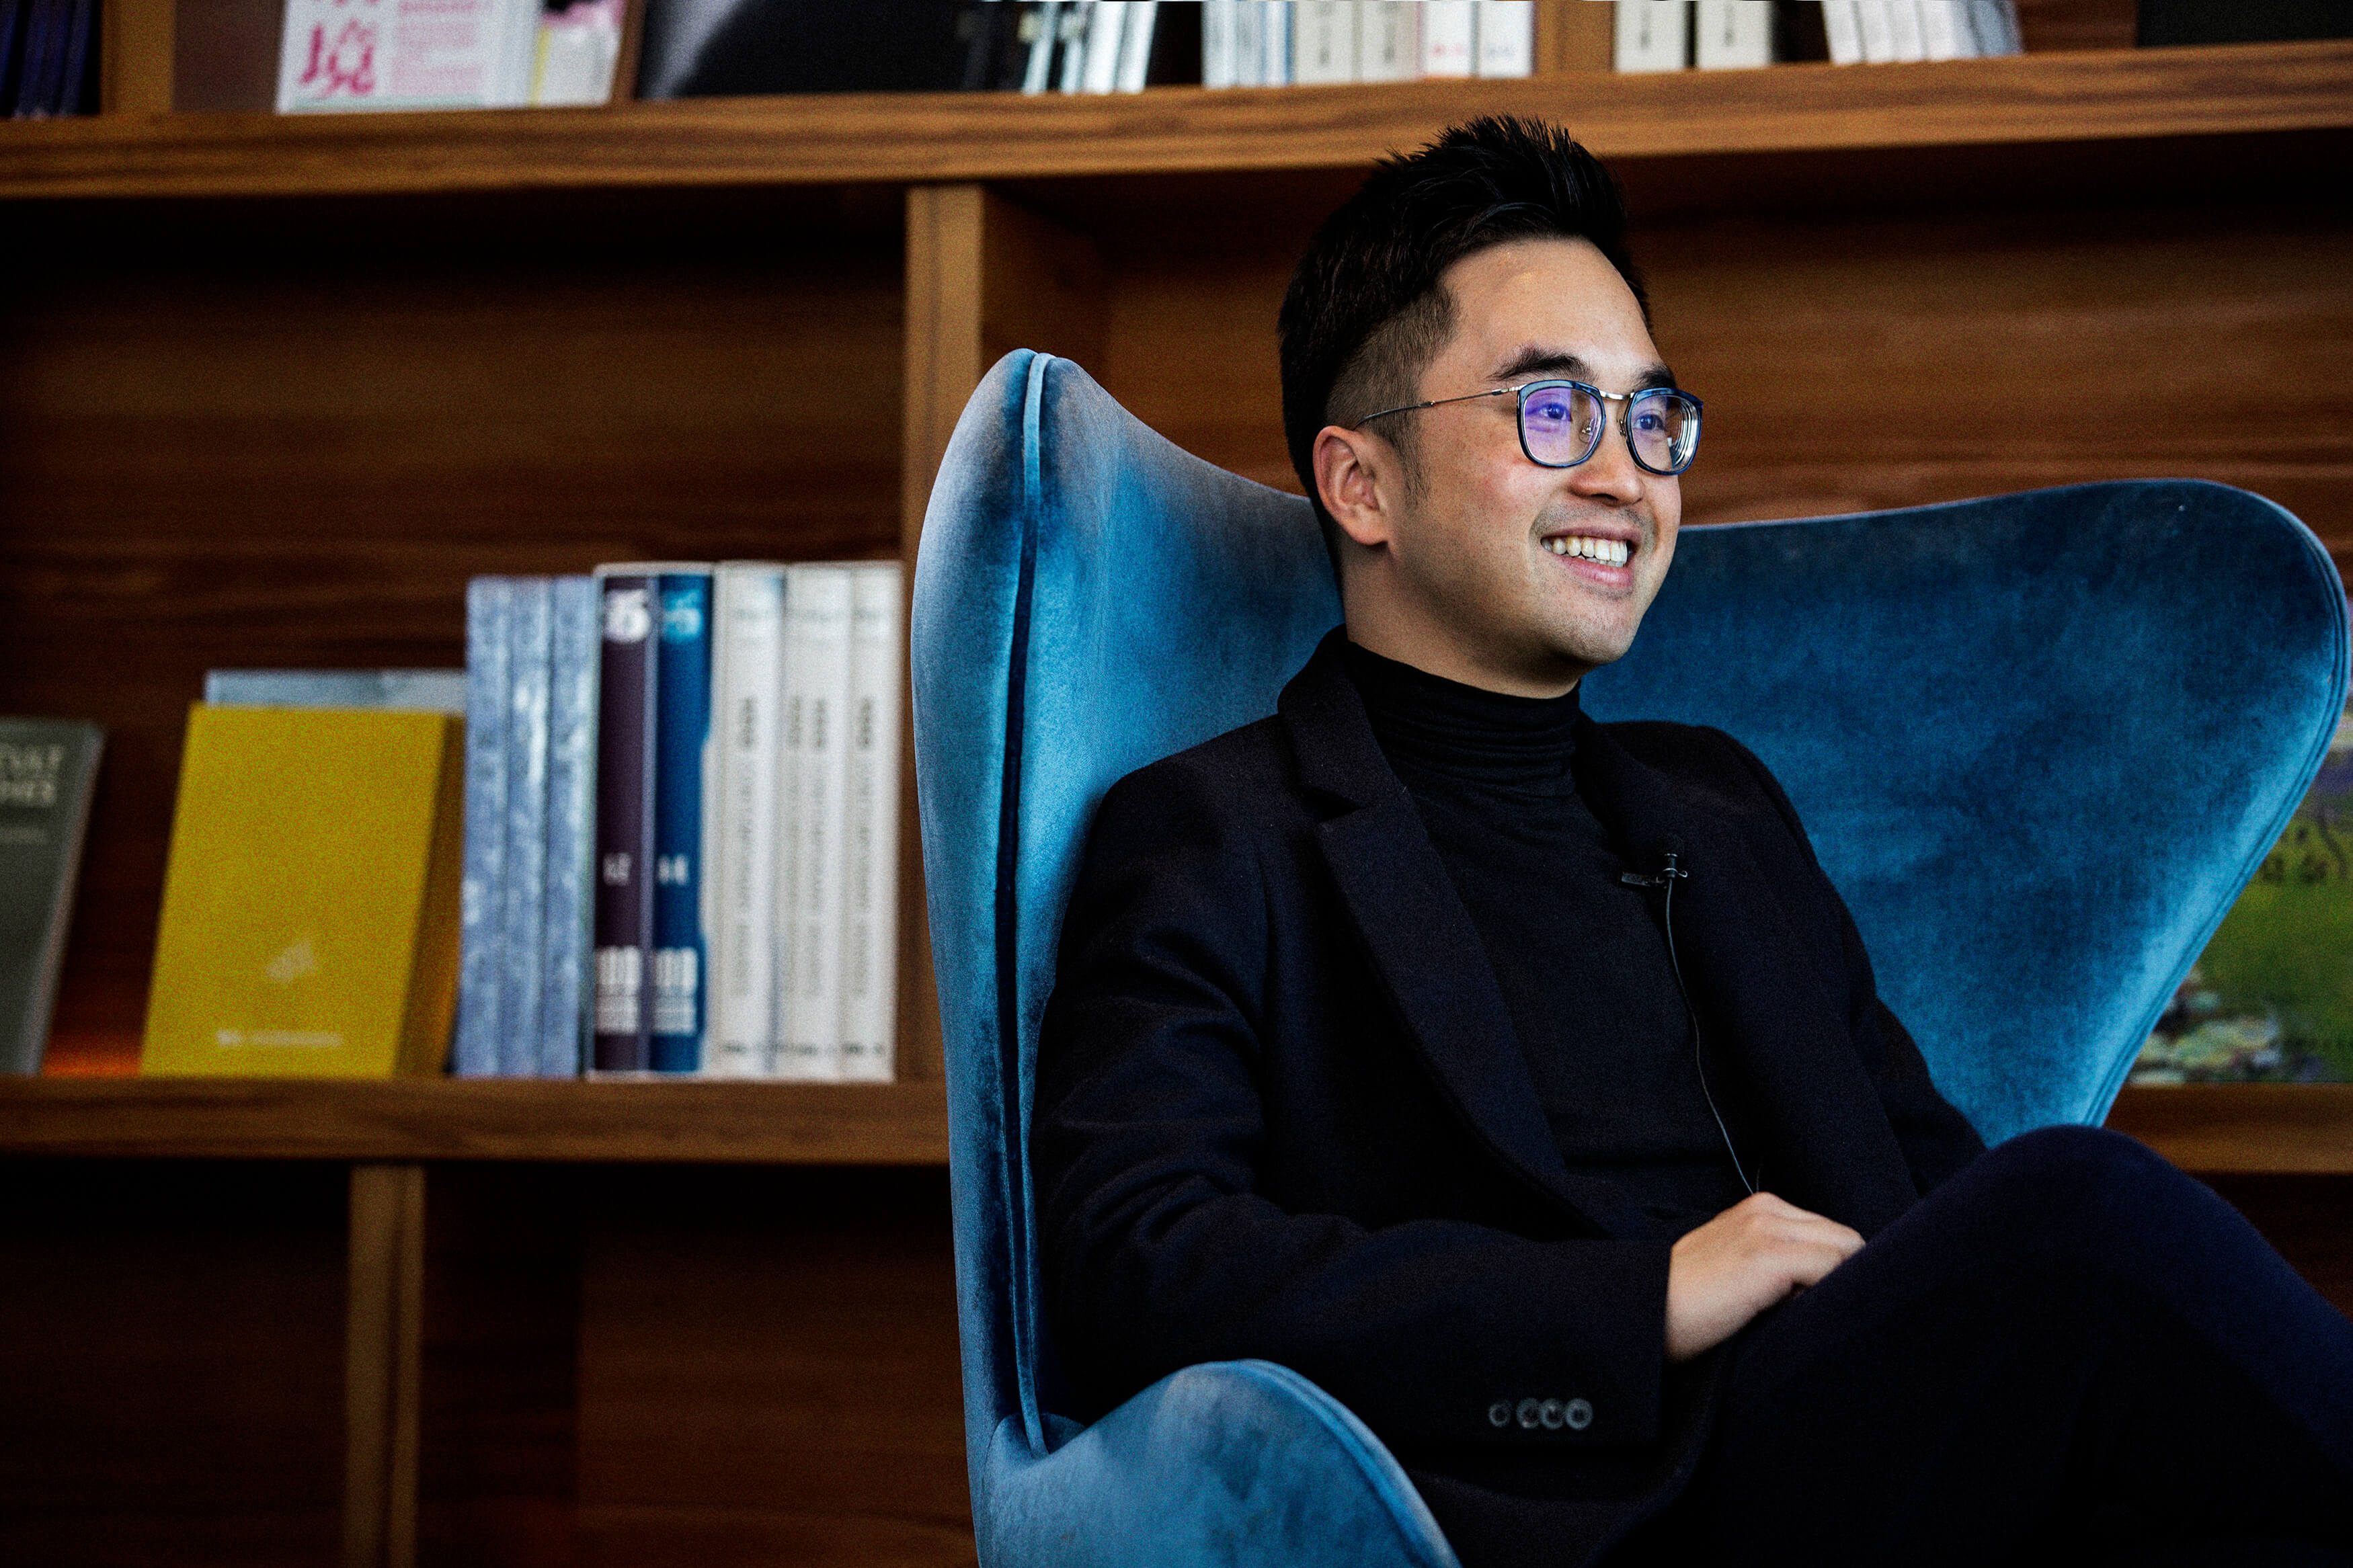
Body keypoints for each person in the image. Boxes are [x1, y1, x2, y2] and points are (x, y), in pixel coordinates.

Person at [1031, 116, 2353, 1567]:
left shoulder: (1714, 805)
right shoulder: (1218, 832)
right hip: (1605, 1503)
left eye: (1651, 420)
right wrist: (1635, 1301)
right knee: (2076, 1214)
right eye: (1553, 416)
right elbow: (1132, 1264)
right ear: (1361, 486)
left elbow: (1936, 1191)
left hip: (1864, 1446)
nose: (1625, 477)